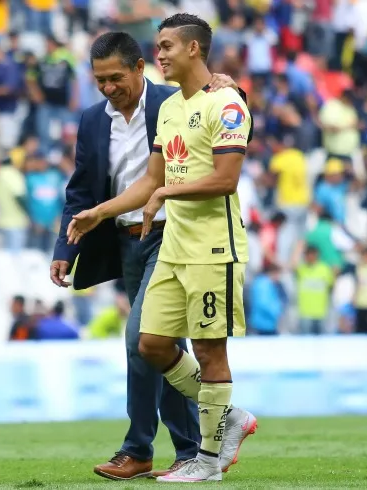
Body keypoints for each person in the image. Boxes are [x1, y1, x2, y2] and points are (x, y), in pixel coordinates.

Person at [68, 15, 257, 482]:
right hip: (171, 246)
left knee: (208, 350)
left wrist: (166, 194)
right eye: (157, 46)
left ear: (195, 48)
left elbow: (226, 178)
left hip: (212, 247)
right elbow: (152, 179)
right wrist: (102, 212)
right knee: (151, 343)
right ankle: (227, 417)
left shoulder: (225, 101)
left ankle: (207, 461)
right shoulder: (171, 109)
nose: (161, 54)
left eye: (168, 45)